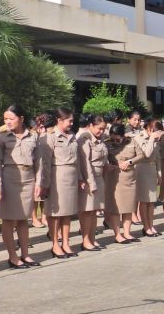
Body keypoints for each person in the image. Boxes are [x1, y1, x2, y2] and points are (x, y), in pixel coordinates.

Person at [0, 105, 40, 269]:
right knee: (8, 220)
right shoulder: (0, 136)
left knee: (23, 219)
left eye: (11, 118)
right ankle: (12, 256)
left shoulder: (33, 135)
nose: (8, 121)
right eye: (5, 118)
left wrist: (39, 182)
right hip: (9, 178)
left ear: (21, 118)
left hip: (28, 178)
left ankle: (25, 254)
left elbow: (39, 161)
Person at [36, 107, 80, 259]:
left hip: (71, 177)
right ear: (59, 120)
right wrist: (45, 184)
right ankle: (55, 244)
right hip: (57, 177)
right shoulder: (49, 137)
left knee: (67, 213)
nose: (71, 123)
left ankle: (66, 243)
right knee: (55, 214)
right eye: (69, 121)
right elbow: (45, 163)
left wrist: (80, 178)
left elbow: (77, 160)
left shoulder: (72, 136)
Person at [103, 123, 144, 243]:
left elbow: (141, 155)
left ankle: (127, 233)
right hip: (114, 178)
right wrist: (107, 165)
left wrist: (130, 162)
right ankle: (118, 234)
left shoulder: (131, 141)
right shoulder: (107, 143)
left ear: (123, 136)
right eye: (113, 139)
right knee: (115, 208)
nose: (115, 142)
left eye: (117, 139)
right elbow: (101, 158)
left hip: (129, 178)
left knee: (128, 207)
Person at [77, 114, 108, 252]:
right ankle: (85, 240)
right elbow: (86, 163)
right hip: (89, 178)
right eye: (99, 128)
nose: (101, 131)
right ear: (90, 125)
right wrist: (91, 183)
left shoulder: (100, 139)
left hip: (99, 176)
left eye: (103, 129)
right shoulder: (84, 139)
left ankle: (92, 238)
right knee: (87, 212)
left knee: (95, 211)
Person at [135, 118, 163, 237]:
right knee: (144, 200)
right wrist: (151, 139)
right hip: (142, 170)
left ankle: (151, 225)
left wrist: (159, 174)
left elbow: (157, 158)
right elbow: (146, 153)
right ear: (150, 129)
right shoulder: (139, 137)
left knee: (151, 201)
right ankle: (146, 227)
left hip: (152, 170)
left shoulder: (156, 139)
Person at [30, 113, 52, 228]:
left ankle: (44, 217)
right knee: (35, 195)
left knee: (44, 194)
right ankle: (34, 218)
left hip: (46, 166)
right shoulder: (32, 135)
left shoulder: (49, 134)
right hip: (35, 167)